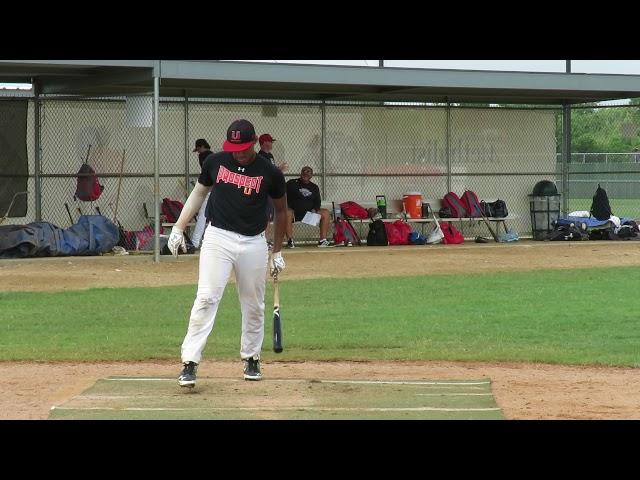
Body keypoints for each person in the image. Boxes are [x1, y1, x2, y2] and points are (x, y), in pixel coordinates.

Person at [167, 119, 287, 387]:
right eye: (235, 147)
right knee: (207, 297)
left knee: (253, 302)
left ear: (254, 142)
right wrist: (178, 226)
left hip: (254, 241)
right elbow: (198, 193)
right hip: (218, 237)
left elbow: (281, 211)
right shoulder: (215, 162)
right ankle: (190, 362)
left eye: (244, 147)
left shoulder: (270, 173)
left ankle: (252, 357)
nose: (239, 153)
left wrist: (276, 252)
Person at [285, 166, 332, 248]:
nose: (306, 173)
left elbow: (318, 202)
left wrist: (315, 209)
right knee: (287, 212)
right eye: (304, 171)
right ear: (301, 173)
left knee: (325, 212)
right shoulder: (291, 183)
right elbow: (282, 195)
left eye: (308, 172)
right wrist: (287, 207)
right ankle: (290, 241)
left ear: (311, 175)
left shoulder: (314, 187)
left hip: (308, 215)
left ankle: (322, 240)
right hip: (294, 214)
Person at [258, 133, 287, 248]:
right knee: (265, 215)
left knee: (270, 217)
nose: (271, 144)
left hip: (271, 190)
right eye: (269, 141)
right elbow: (266, 173)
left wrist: (278, 170)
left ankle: (266, 239)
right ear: (264, 143)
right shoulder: (260, 156)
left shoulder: (269, 155)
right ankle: (263, 240)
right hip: (265, 191)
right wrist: (279, 169)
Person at [191, 138, 213, 249]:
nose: (198, 152)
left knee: (202, 215)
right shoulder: (213, 156)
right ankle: (207, 242)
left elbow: (206, 174)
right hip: (215, 189)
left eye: (198, 148)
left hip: (208, 188)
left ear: (202, 146)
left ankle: (195, 242)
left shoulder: (204, 156)